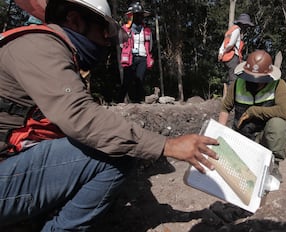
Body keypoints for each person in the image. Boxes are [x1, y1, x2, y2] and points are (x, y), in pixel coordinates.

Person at [0, 0, 219, 230]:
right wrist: (167, 145)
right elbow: (81, 118)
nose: (107, 40)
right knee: (114, 156)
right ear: (74, 20)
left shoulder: (40, 46)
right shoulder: (41, 46)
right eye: (104, 31)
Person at [218, 50, 286, 181]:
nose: (255, 82)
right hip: (242, 137)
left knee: (278, 124)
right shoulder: (237, 84)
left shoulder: (278, 85)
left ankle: (273, 165)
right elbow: (225, 108)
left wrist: (254, 111)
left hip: (263, 139)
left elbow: (284, 112)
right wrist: (219, 133)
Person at [119, 2, 154, 103]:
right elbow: (121, 43)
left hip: (142, 57)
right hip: (130, 57)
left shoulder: (147, 30)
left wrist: (148, 55)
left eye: (141, 15)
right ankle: (119, 101)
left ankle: (138, 102)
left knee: (140, 79)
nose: (140, 17)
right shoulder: (125, 29)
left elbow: (150, 44)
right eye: (137, 15)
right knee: (127, 80)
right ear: (132, 16)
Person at [218, 13, 255, 98]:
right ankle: (232, 99)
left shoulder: (230, 30)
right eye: (246, 26)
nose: (247, 28)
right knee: (234, 79)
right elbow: (231, 44)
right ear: (243, 24)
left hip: (227, 58)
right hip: (232, 57)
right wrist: (224, 51)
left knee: (234, 77)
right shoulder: (237, 30)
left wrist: (221, 53)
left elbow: (223, 44)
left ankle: (233, 97)